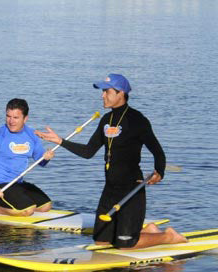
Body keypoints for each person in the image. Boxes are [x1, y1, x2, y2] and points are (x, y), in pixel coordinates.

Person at [36, 73, 186, 249]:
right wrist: (60, 141)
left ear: (120, 93)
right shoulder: (106, 120)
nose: (102, 95)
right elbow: (88, 152)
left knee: (125, 244)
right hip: (110, 189)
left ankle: (167, 236)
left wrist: (159, 171)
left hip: (131, 189)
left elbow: (158, 151)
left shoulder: (137, 120)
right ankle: (150, 230)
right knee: (101, 241)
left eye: (106, 91)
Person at [0, 98, 55, 217]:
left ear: (25, 118)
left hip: (17, 183)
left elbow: (41, 162)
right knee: (27, 211)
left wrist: (46, 158)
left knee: (46, 206)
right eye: (8, 116)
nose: (11, 121)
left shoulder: (32, 135)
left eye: (16, 117)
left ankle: (13, 208)